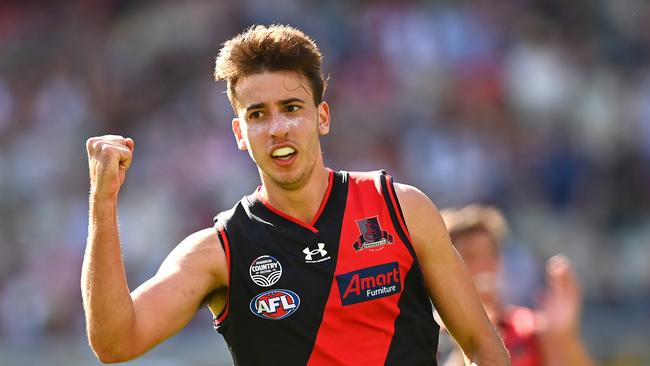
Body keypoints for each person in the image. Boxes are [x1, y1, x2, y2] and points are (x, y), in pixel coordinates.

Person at [82, 24, 509, 365]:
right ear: (240, 134)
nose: (278, 128)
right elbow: (116, 342)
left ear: (321, 117)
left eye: (291, 108)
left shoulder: (402, 208)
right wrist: (102, 202)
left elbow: (482, 346)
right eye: (258, 115)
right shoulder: (219, 251)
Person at [439, 205, 594, 366]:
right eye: (471, 256)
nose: (485, 265)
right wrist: (465, 345)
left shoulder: (528, 328)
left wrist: (566, 338)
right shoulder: (432, 334)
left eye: (491, 254)